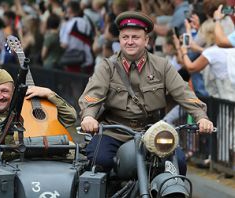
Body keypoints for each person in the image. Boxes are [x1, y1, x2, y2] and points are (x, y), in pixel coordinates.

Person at [78, 11, 214, 175]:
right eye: (125, 37)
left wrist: (201, 117)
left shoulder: (161, 66)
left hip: (151, 133)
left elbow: (185, 93)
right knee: (98, 161)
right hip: (114, 132)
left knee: (177, 163)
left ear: (146, 40)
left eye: (135, 37)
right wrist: (88, 116)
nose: (129, 42)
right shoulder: (107, 67)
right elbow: (92, 96)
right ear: (119, 40)